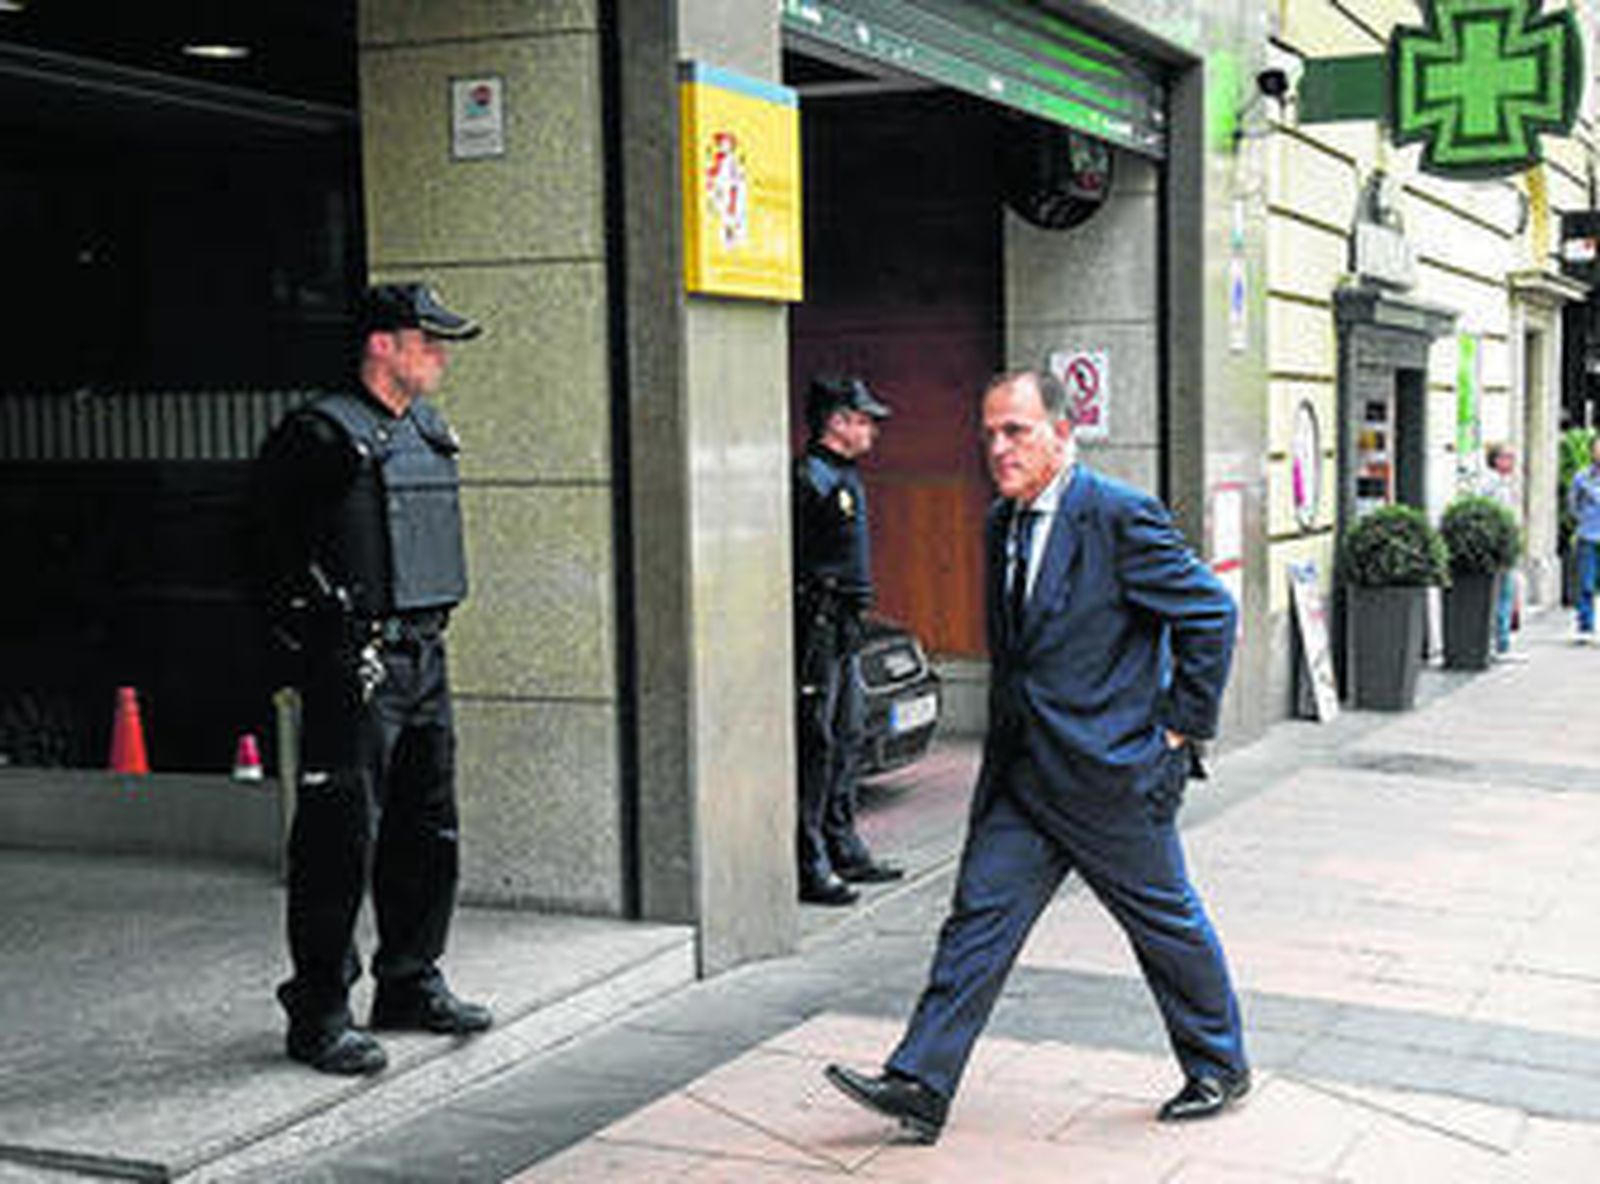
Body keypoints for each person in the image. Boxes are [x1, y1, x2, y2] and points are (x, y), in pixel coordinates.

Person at [825, 369, 1247, 1142]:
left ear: (1062, 431)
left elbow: (1211, 616)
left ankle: (1219, 1064)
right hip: (1023, 777)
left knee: (1163, 924)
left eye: (1015, 431)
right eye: (988, 432)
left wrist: (1178, 732)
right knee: (977, 921)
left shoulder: (1120, 518)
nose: (997, 447)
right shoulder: (1000, 521)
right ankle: (921, 1079)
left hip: (1111, 776)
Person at [253, 283, 492, 1075]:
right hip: (351, 665)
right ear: (381, 345)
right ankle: (318, 1013)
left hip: (423, 653)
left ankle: (410, 981)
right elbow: (264, 552)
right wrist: (312, 649)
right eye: (428, 340)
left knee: (429, 827)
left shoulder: (424, 428)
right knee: (338, 841)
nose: (441, 355)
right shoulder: (319, 433)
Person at [792, 375, 905, 906]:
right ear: (837, 422)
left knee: (847, 736)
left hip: (845, 626)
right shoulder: (809, 477)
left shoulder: (842, 475)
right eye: (863, 420)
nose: (871, 431)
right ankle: (810, 861)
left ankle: (843, 846)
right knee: (817, 744)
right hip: (818, 624)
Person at [1478, 442, 1524, 661]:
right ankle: (1499, 644)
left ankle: (1501, 642)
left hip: (1505, 544)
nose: (1512, 462)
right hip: (1500, 546)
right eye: (1507, 457)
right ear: (1496, 460)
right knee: (1503, 593)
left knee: (1506, 592)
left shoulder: (1501, 483)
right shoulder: (1492, 484)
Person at [1569, 433, 1600, 644]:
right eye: (1597, 448)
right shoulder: (1581, 477)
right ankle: (1586, 625)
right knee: (1586, 583)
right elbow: (1573, 505)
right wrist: (1584, 521)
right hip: (1588, 535)